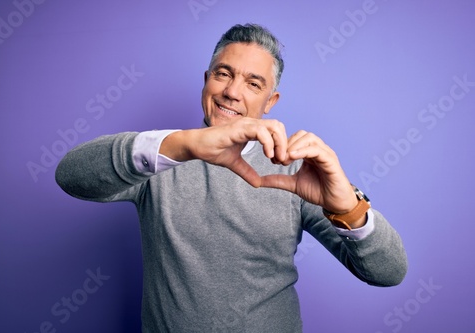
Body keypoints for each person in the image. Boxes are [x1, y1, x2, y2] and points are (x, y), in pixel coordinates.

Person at [56, 23, 407, 333]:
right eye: (223, 74)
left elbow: (388, 272)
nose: (232, 92)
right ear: (206, 80)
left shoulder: (297, 171)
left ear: (271, 101)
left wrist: (347, 205)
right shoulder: (164, 155)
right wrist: (184, 144)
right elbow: (70, 175)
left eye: (254, 84)